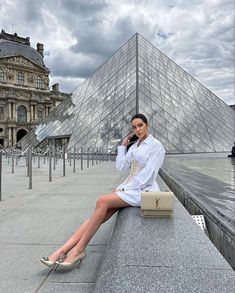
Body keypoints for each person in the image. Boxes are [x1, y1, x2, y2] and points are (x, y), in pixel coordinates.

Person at [40, 113, 165, 270]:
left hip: (144, 191)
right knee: (98, 214)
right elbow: (121, 166)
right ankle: (63, 250)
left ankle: (78, 250)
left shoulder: (156, 146)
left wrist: (124, 188)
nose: (138, 129)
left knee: (102, 201)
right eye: (134, 127)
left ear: (148, 125)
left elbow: (149, 175)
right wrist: (122, 146)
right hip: (131, 188)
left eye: (140, 125)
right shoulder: (135, 146)